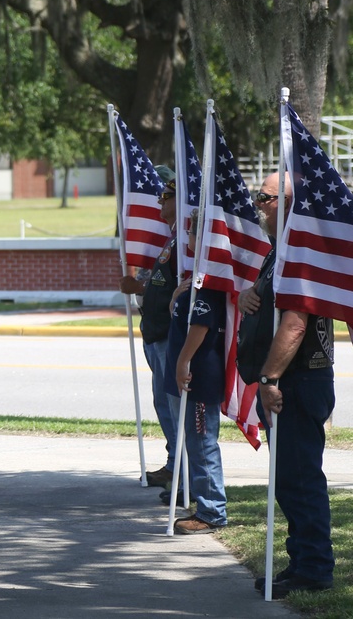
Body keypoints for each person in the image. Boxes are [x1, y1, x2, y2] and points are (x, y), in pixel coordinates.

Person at [238, 172, 335, 599]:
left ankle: (312, 568)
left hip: (295, 383)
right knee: (292, 480)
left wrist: (269, 378)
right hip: (291, 384)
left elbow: (294, 324)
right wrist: (247, 296)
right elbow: (273, 306)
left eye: (266, 197)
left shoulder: (299, 253)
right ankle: (304, 561)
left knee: (299, 480)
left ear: (289, 204)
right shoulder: (281, 252)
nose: (258, 203)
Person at [166, 209, 227, 533]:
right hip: (192, 372)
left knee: (203, 442)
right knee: (193, 440)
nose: (187, 235)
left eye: (191, 230)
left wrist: (182, 361)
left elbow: (201, 324)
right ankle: (204, 505)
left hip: (200, 374)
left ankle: (212, 511)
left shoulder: (210, 277)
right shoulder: (197, 276)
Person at [117, 165, 179, 488]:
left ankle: (182, 470)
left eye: (166, 196)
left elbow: (180, 286)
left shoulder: (182, 241)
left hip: (170, 336)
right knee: (162, 402)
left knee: (172, 404)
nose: (159, 202)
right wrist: (138, 287)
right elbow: (160, 285)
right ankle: (174, 464)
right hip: (155, 335)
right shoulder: (170, 239)